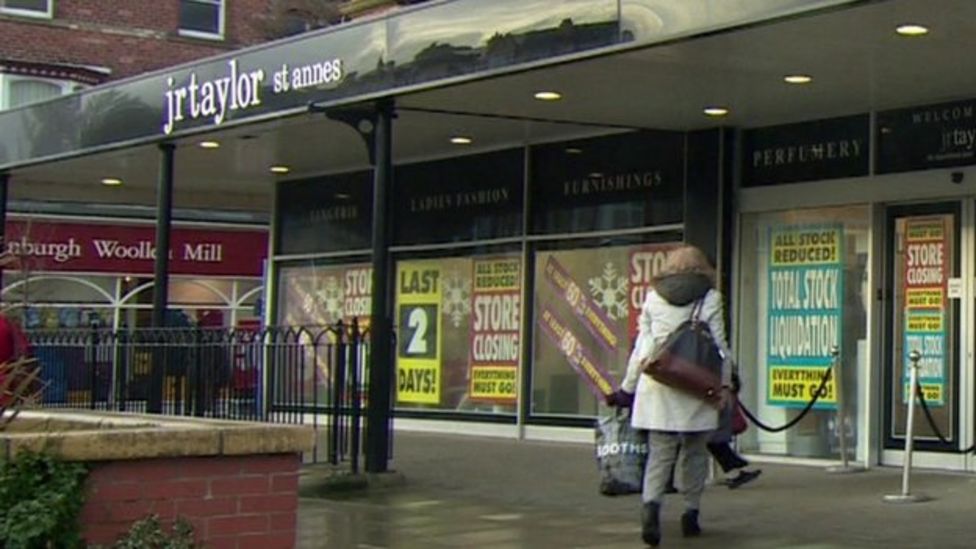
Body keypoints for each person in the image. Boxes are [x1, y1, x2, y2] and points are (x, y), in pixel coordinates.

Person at [606, 245, 732, 547]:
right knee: (695, 452)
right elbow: (719, 348)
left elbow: (642, 349)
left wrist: (628, 388)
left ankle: (651, 508)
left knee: (660, 454)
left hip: (659, 386)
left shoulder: (653, 297)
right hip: (698, 387)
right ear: (701, 267)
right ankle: (691, 513)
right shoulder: (710, 298)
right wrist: (726, 384)